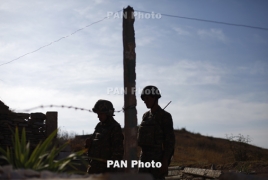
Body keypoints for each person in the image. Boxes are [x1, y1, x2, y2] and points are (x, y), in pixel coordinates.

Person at [138, 85, 175, 180]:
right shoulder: (145, 116)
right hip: (144, 159)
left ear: (155, 98)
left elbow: (169, 141)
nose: (145, 101)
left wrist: (165, 160)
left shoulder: (165, 116)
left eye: (147, 98)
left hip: (157, 159)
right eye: (144, 99)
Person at [85, 99, 124, 174]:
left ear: (108, 113)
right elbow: (93, 144)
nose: (98, 116)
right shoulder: (99, 126)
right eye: (98, 113)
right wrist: (88, 145)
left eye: (101, 114)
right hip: (94, 168)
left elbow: (118, 152)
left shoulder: (115, 127)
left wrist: (110, 170)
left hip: (106, 171)